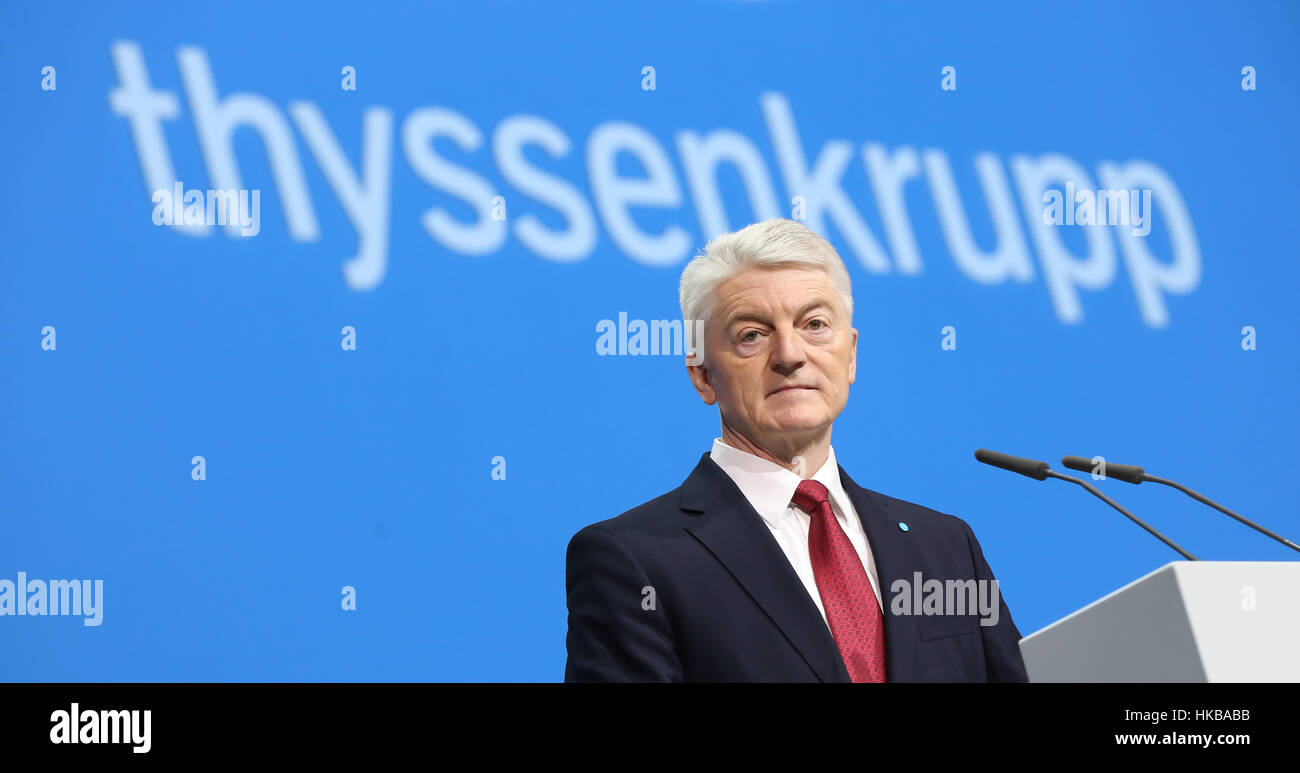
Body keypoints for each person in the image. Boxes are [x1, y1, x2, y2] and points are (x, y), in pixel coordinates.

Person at [564, 218, 1028, 682]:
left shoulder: (945, 546)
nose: (790, 354)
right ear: (703, 374)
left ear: (851, 355)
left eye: (815, 324)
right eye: (752, 334)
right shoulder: (635, 559)